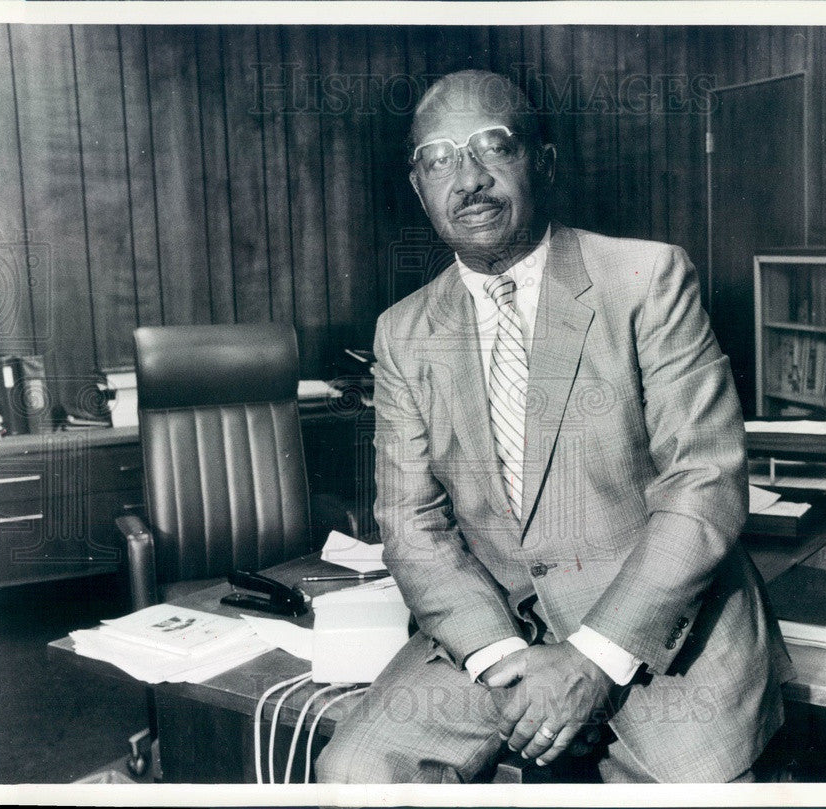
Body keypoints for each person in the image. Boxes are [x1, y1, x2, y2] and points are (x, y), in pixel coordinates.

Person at [316, 69, 794, 784]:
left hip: (662, 635)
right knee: (354, 771)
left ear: (542, 159)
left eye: (492, 147)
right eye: (439, 159)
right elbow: (413, 524)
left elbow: (705, 483)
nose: (467, 178)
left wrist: (592, 657)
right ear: (419, 187)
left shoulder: (647, 279)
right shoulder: (404, 332)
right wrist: (502, 659)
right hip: (497, 634)